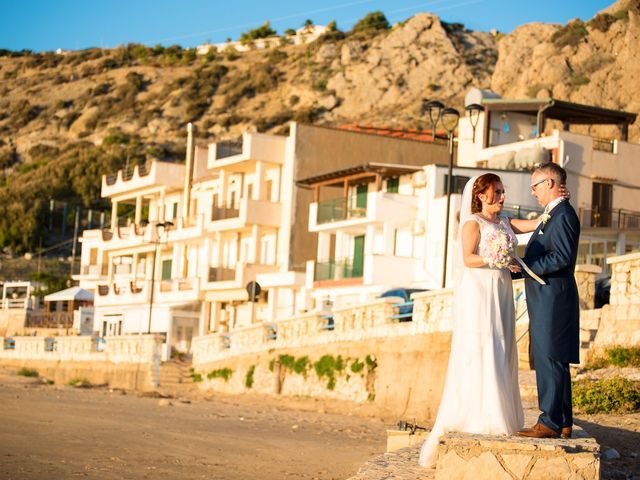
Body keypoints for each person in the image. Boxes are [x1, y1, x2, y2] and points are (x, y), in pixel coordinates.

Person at [419, 172, 543, 468]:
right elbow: (467, 258)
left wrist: (555, 208)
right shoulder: (473, 222)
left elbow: (534, 224)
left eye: (502, 191)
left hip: (500, 290)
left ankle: (502, 411)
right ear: (481, 194)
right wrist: (496, 260)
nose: (502, 196)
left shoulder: (505, 221)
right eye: (497, 191)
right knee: (484, 344)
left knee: (502, 344)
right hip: (480, 291)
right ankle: (482, 414)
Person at [517, 163, 580, 439]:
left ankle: (550, 421)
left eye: (535, 186)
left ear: (551, 183)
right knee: (554, 358)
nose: (532, 192)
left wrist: (525, 266)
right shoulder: (552, 214)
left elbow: (562, 257)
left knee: (549, 357)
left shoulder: (563, 215)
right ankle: (564, 420)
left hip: (553, 297)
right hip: (549, 297)